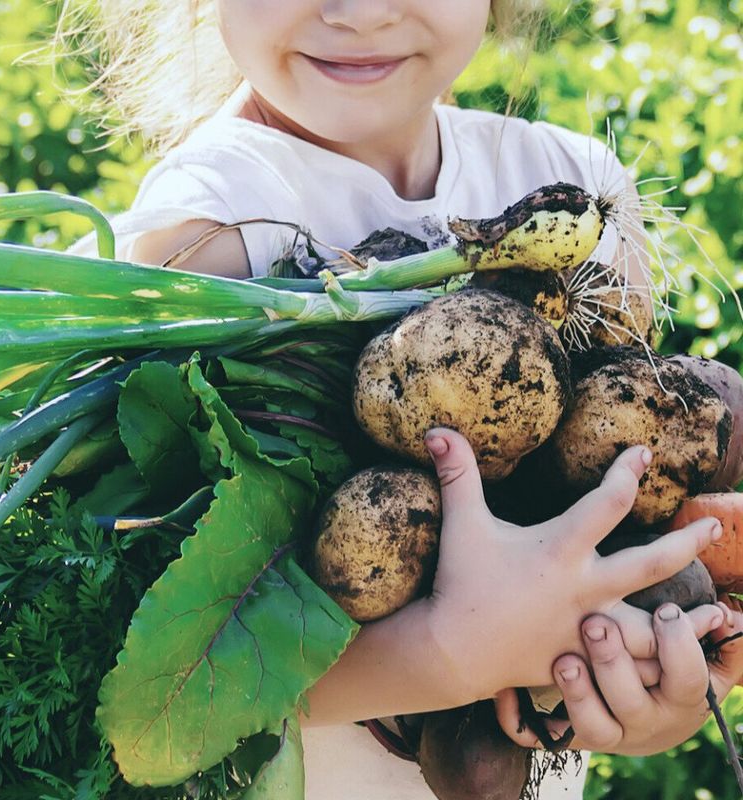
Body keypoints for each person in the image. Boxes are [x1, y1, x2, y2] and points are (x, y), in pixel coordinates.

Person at [65, 1, 743, 797]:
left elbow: (641, 495)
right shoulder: (204, 238)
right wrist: (449, 656)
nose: (358, 12)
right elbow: (160, 687)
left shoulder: (576, 192)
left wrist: (660, 689)